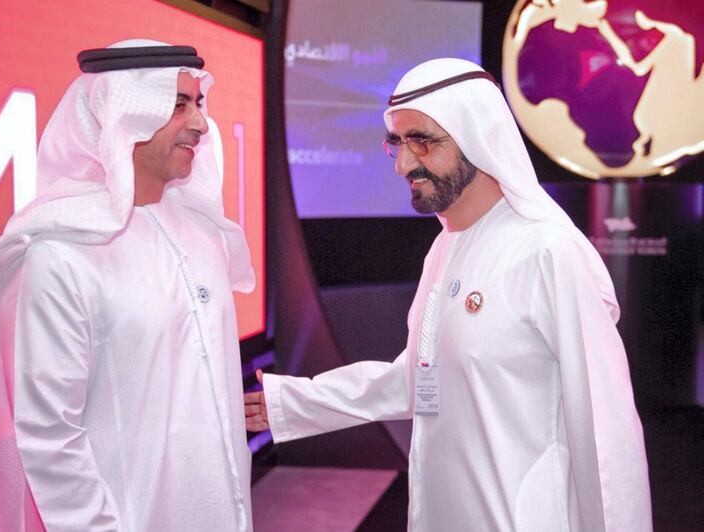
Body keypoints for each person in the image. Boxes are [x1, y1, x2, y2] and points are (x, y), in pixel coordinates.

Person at [245, 58, 652, 531]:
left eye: (422, 141)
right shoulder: (445, 247)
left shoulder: (548, 251)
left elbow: (606, 437)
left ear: (478, 137)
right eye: (396, 142)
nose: (402, 164)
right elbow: (422, 380)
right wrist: (296, 403)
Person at [0, 39, 256, 531]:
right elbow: (51, 436)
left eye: (197, 103)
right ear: (123, 116)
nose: (201, 124)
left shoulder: (204, 236)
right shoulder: (62, 255)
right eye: (176, 105)